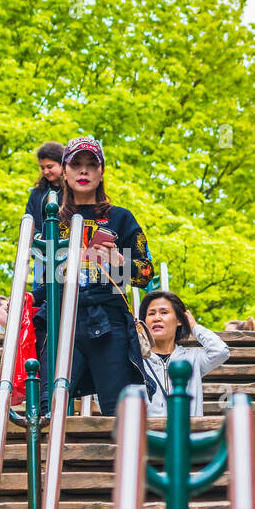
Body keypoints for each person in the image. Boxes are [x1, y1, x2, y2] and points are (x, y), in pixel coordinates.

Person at [33, 136, 154, 415]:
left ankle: (120, 459)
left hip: (109, 319)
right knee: (48, 407)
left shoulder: (122, 218)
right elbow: (41, 279)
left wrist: (119, 263)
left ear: (101, 173)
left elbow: (145, 274)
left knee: (117, 411)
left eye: (91, 164)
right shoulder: (51, 220)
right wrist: (25, 301)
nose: (83, 171)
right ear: (64, 171)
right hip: (60, 316)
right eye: (76, 164)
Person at [140, 290, 230, 419]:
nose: (157, 318)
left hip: (189, 434)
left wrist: (194, 326)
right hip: (149, 436)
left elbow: (221, 351)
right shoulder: (137, 361)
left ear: (180, 320)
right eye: (151, 314)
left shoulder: (193, 358)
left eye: (164, 312)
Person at [25, 141, 65, 231]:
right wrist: (37, 236)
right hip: (42, 243)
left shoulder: (76, 190)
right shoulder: (37, 193)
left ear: (63, 165)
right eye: (42, 168)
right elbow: (28, 221)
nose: (46, 171)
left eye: (50, 167)